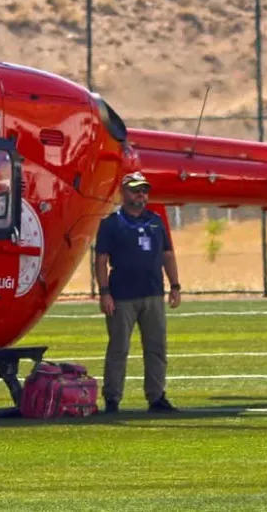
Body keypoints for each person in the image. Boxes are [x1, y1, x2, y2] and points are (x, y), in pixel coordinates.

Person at [95, 171, 181, 414]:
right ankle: (112, 398)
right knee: (118, 349)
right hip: (122, 296)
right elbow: (101, 260)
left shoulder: (156, 221)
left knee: (156, 347)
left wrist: (175, 285)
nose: (141, 194)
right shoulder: (111, 224)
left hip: (153, 293)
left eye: (144, 190)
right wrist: (104, 293)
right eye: (135, 190)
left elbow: (167, 254)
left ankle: (156, 396)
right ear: (124, 193)